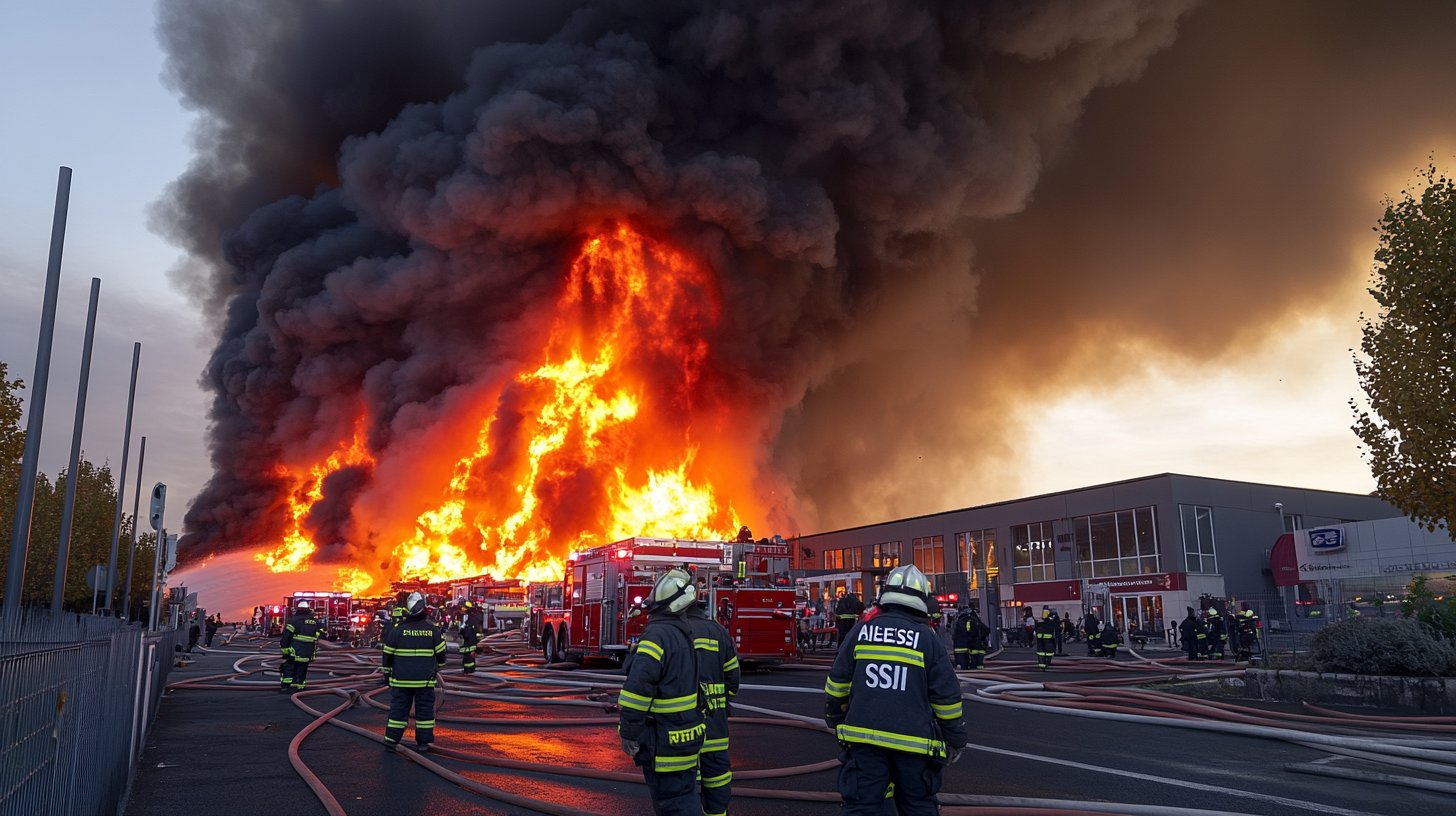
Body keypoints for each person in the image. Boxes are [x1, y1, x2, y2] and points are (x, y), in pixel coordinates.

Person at [824, 564, 966, 816]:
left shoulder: (862, 630)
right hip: (915, 747)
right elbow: (947, 700)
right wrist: (954, 739)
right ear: (921, 599)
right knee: (917, 806)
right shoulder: (927, 638)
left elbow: (837, 685)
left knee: (862, 806)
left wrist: (836, 718)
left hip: (863, 742)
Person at [618, 568, 708, 816]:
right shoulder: (683, 634)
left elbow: (637, 690)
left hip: (664, 741)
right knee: (683, 798)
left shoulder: (657, 636)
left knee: (674, 805)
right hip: (685, 738)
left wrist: (628, 733)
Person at [685, 570, 742, 816]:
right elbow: (733, 677)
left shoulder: (671, 632)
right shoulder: (718, 631)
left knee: (683, 784)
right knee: (717, 778)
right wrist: (724, 702)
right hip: (716, 725)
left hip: (683, 726)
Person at [382, 591, 446, 752]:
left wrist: (387, 674)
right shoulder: (432, 631)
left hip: (401, 680)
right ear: (424, 609)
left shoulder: (397, 631)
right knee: (424, 712)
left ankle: (391, 741)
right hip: (424, 681)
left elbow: (387, 655)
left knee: (398, 710)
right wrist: (436, 668)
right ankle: (423, 743)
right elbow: (442, 655)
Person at [279, 599, 322, 692]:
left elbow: (286, 636)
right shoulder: (315, 621)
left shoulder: (294, 620)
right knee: (303, 667)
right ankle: (299, 686)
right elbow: (322, 632)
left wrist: (285, 650)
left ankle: (287, 686)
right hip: (309, 651)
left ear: (298, 608)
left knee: (290, 666)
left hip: (295, 649)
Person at [458, 600, 481, 674]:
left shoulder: (472, 619)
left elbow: (471, 632)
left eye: (463, 608)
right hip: (467, 644)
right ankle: (467, 671)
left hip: (470, 644)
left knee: (469, 660)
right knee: (466, 660)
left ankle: (469, 672)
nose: (462, 609)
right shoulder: (466, 617)